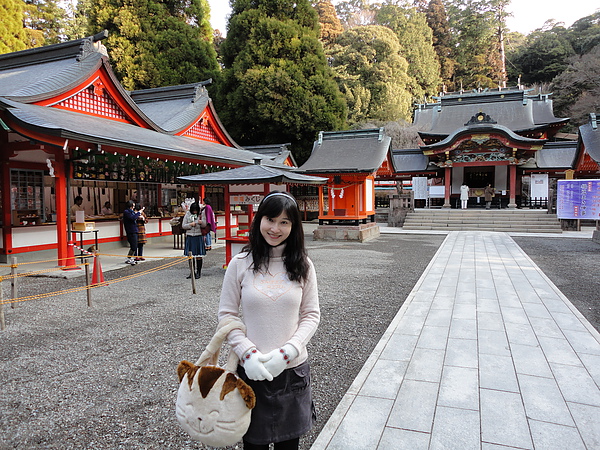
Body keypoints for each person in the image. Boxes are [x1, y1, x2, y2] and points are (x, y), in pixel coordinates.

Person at [218, 191, 320, 450]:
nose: (275, 228)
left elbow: (311, 315)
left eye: (284, 222)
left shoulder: (303, 265)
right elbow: (227, 315)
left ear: (294, 226)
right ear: (259, 220)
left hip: (292, 372)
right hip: (251, 372)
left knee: (289, 445)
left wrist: (288, 352)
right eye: (270, 219)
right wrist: (247, 354)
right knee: (254, 444)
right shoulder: (240, 263)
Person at [182, 202, 206, 279]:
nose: (195, 212)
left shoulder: (201, 214)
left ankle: (198, 272)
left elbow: (205, 224)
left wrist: (201, 222)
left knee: (199, 255)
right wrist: (190, 225)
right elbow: (183, 225)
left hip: (198, 236)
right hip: (190, 236)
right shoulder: (187, 214)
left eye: (196, 210)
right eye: (194, 210)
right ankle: (192, 272)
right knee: (190, 256)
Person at [123, 200, 143, 265]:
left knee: (134, 245)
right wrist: (139, 212)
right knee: (133, 246)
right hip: (130, 231)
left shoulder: (131, 212)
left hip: (134, 230)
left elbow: (135, 216)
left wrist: (139, 216)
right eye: (133, 205)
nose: (134, 207)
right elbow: (133, 218)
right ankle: (129, 258)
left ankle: (129, 258)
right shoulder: (126, 212)